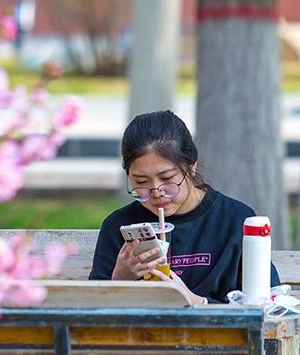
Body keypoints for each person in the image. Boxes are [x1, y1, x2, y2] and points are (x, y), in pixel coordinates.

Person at [89, 110, 279, 304]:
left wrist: (194, 302)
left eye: (167, 178)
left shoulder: (235, 219)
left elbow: (265, 308)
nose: (156, 192)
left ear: (191, 166)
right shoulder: (119, 226)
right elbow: (91, 316)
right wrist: (120, 279)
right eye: (141, 181)